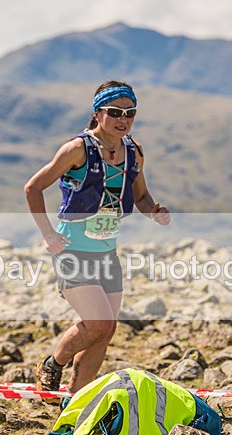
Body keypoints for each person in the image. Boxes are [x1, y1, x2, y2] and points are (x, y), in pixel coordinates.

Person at [24, 81, 170, 397]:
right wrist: (47, 233)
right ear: (97, 113)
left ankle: (74, 403)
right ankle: (52, 363)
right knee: (99, 324)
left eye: (130, 113)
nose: (123, 119)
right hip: (72, 251)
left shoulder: (133, 151)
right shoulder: (77, 149)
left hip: (107, 252)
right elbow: (33, 188)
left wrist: (154, 212)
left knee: (105, 332)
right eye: (115, 112)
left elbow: (141, 196)